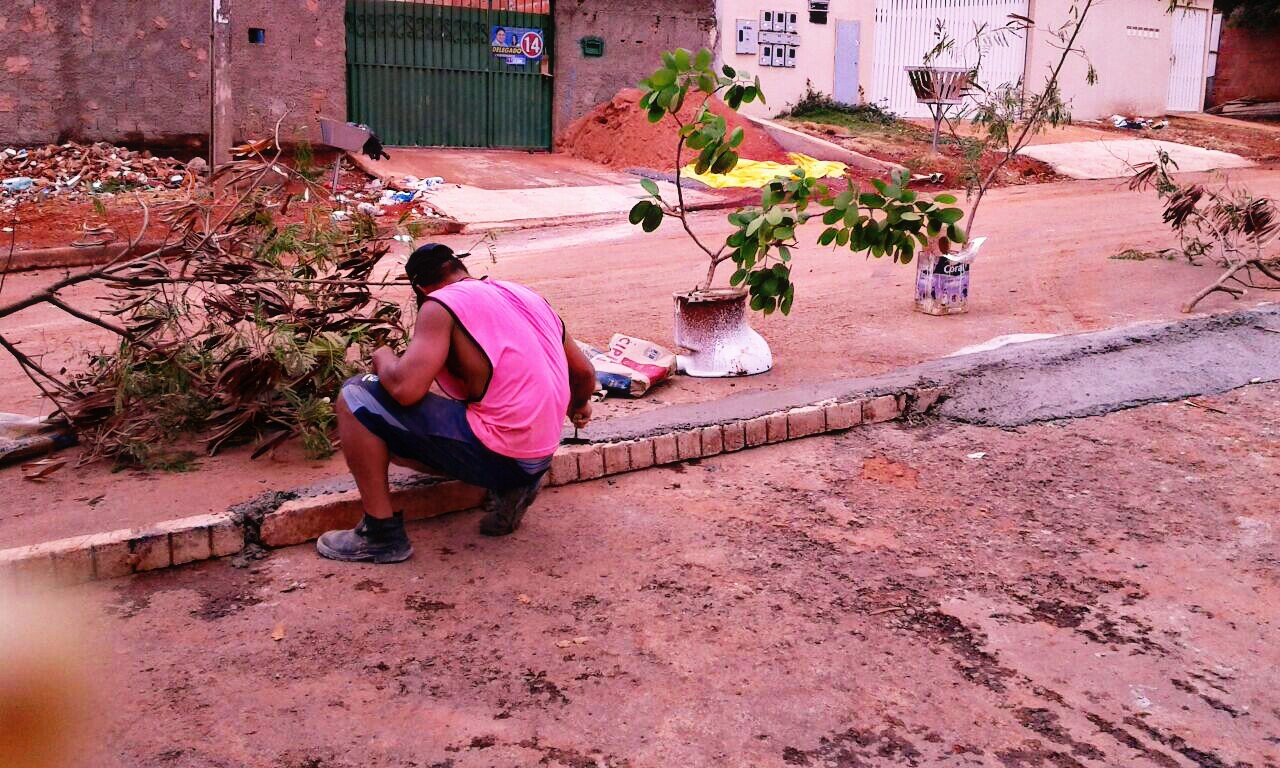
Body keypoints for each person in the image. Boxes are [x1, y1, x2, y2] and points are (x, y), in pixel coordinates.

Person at [316, 243, 597, 564]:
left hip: (502, 455)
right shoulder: (526, 295)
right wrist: (579, 406)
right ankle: (513, 486)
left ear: (421, 289)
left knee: (355, 395)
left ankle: (380, 535)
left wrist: (383, 356)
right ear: (460, 268)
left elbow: (405, 390)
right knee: (430, 428)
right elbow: (584, 372)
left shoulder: (439, 304)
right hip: (540, 456)